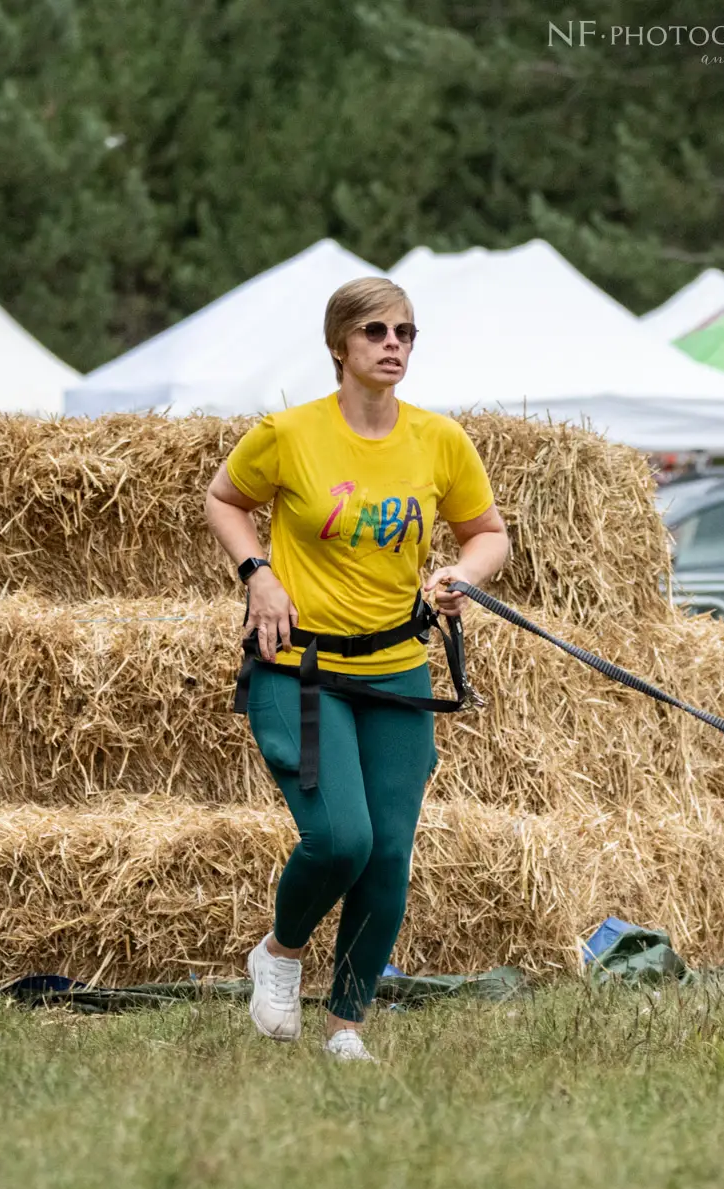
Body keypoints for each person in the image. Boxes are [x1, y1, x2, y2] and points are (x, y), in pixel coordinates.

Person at [204, 276, 511, 1063]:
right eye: (375, 332)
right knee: (342, 838)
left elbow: (487, 533)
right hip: (299, 667)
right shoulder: (288, 433)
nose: (393, 346)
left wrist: (461, 574)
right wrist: (257, 574)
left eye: (405, 333)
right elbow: (224, 500)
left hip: (397, 669)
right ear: (339, 345)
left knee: (388, 855)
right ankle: (279, 952)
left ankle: (346, 1026)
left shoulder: (439, 441)